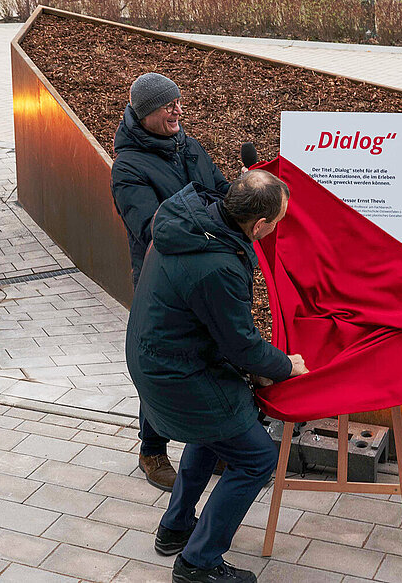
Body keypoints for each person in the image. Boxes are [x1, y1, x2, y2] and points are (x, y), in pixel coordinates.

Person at [126, 171, 308, 583]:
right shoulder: (217, 265)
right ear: (258, 226)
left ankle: (175, 527)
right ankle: (197, 563)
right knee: (257, 457)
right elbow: (241, 345)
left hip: (157, 359)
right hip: (175, 373)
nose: (276, 228)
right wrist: (284, 366)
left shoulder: (191, 222)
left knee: (217, 431)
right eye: (277, 222)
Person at [111, 72, 229, 490]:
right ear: (145, 114)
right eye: (168, 105)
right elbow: (153, 227)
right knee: (160, 363)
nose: (178, 110)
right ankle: (152, 450)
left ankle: (210, 446)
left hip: (204, 269)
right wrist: (213, 220)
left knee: (211, 356)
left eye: (179, 101)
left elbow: (222, 192)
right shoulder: (127, 167)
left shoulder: (189, 145)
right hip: (160, 281)